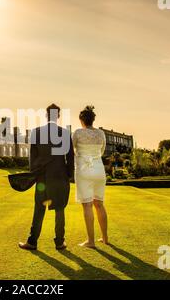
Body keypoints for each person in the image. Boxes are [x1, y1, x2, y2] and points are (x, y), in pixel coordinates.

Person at [19, 104, 74, 251]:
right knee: (60, 209)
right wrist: (69, 176)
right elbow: (70, 157)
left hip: (42, 178)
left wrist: (33, 174)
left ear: (46, 115)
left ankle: (32, 242)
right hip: (59, 177)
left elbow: (33, 158)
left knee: (39, 209)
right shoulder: (64, 133)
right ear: (58, 116)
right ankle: (60, 243)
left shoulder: (36, 132)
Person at [73, 105, 108, 248]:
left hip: (83, 170)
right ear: (93, 119)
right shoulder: (101, 133)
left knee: (87, 205)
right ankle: (105, 238)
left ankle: (91, 241)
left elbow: (73, 150)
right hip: (99, 170)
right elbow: (102, 151)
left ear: (81, 120)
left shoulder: (77, 133)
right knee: (99, 204)